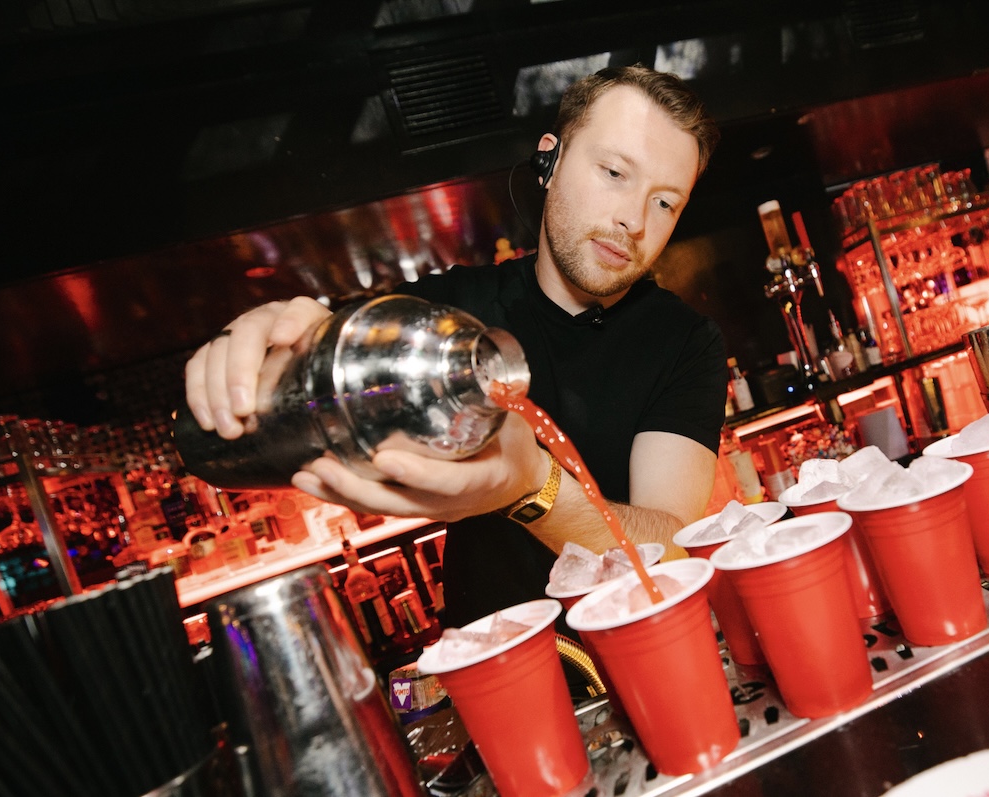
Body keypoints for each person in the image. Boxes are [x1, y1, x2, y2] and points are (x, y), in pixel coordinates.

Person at [184, 65, 727, 627]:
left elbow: (671, 543)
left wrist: (532, 485)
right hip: (498, 669)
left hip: (642, 654)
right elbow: (219, 441)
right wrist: (277, 361)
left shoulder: (684, 341)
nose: (633, 220)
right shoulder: (440, 319)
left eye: (665, 203)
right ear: (550, 161)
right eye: (614, 172)